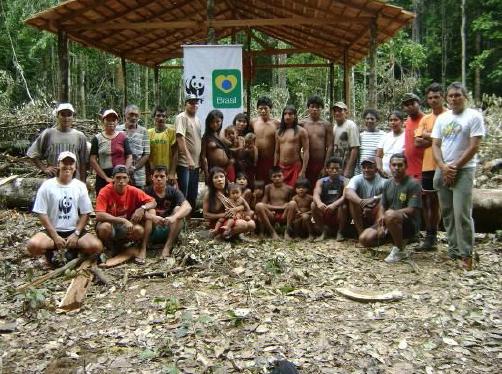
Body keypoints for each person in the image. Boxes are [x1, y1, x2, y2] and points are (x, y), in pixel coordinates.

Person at [432, 82, 485, 270]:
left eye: (458, 95)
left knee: (461, 212)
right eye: (451, 96)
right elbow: (436, 145)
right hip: (443, 168)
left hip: (464, 169)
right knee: (447, 212)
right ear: (447, 98)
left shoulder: (474, 117)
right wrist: (442, 166)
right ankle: (453, 250)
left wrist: (454, 167)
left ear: (465, 97)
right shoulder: (442, 118)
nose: (454, 98)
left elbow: (474, 146)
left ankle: (467, 254)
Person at [27, 151, 103, 267]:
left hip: (73, 230)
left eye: (71, 163)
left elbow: (86, 213)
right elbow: (41, 213)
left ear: (75, 166)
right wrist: (55, 236)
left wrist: (76, 233)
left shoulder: (80, 186)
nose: (67, 166)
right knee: (33, 246)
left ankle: (73, 249)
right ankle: (54, 249)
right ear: (59, 164)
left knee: (96, 246)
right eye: (64, 163)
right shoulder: (47, 186)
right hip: (53, 231)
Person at [359, 154, 422, 263]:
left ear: (406, 166)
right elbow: (382, 205)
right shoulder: (387, 183)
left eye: (400, 165)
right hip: (389, 220)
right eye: (394, 165)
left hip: (408, 223)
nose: (396, 168)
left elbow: (412, 209)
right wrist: (381, 224)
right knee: (364, 239)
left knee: (390, 215)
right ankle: (396, 239)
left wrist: (389, 215)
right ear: (390, 166)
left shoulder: (413, 184)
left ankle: (400, 250)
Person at [95, 165, 156, 265]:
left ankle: (124, 246)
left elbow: (153, 202)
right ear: (113, 178)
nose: (121, 181)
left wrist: (142, 208)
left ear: (128, 179)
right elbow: (99, 215)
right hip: (111, 224)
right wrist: (122, 220)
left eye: (124, 177)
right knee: (104, 228)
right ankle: (109, 247)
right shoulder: (105, 191)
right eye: (118, 177)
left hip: (126, 226)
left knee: (139, 230)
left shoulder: (133, 190)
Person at [414, 83, 448, 250]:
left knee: (446, 200)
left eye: (436, 97)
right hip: (428, 164)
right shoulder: (425, 119)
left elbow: (449, 140)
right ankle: (431, 236)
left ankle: (450, 234)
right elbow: (417, 142)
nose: (433, 100)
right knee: (429, 200)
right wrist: (437, 138)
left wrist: (429, 136)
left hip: (446, 164)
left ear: (443, 97)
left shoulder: (450, 116)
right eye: (430, 98)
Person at [27, 103, 88, 182]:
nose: (66, 118)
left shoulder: (80, 136)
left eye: (69, 114)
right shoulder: (48, 134)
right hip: (53, 182)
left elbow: (83, 164)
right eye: (63, 114)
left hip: (74, 182)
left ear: (73, 116)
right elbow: (32, 153)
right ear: (57, 116)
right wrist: (44, 168)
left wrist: (82, 184)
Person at [144, 166, 192, 258]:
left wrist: (174, 217)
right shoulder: (146, 191)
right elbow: (137, 210)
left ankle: (167, 246)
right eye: (156, 176)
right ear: (152, 177)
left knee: (178, 210)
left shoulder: (173, 191)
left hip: (169, 228)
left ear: (166, 178)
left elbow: (188, 207)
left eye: (162, 176)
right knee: (151, 210)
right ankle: (145, 244)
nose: (159, 179)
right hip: (152, 228)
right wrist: (153, 217)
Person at [202, 167, 256, 239]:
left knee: (252, 224)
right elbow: (205, 215)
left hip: (232, 218)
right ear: (212, 181)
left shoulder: (231, 189)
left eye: (222, 176)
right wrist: (224, 215)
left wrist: (235, 209)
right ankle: (221, 236)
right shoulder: (209, 194)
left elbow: (242, 204)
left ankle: (228, 235)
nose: (219, 179)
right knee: (242, 224)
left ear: (225, 178)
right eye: (216, 177)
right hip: (218, 222)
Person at [90, 109, 133, 195]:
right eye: (108, 119)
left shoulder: (123, 137)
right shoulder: (97, 138)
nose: (111, 122)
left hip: (120, 177)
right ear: (103, 121)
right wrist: (105, 177)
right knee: (103, 200)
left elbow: (129, 156)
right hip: (103, 177)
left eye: (113, 120)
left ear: (117, 122)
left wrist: (125, 172)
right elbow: (93, 159)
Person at [344, 157, 385, 235]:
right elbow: (348, 192)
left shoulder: (382, 181)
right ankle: (361, 233)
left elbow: (390, 193)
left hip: (375, 212)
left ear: (376, 170)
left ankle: (376, 232)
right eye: (364, 167)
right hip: (360, 211)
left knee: (383, 201)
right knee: (352, 201)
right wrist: (361, 203)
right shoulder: (356, 178)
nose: (366, 170)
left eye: (370, 167)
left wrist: (374, 198)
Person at [176, 94, 203, 214]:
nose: (194, 105)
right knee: (184, 194)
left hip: (195, 164)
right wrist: (189, 159)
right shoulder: (182, 117)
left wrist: (199, 160)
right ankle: (181, 222)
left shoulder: (197, 120)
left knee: (193, 193)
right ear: (185, 104)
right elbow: (180, 138)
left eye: (196, 102)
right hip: (185, 164)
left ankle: (189, 219)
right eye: (191, 102)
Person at [300, 96, 333, 187]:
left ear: (321, 109)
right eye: (312, 106)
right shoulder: (302, 124)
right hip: (306, 163)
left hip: (321, 162)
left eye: (317, 107)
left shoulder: (326, 125)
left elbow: (330, 146)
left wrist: (325, 166)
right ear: (308, 108)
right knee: (305, 188)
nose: (315, 109)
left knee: (320, 187)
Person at [312, 156, 347, 241]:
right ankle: (323, 232)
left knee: (344, 206)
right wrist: (319, 203)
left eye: (337, 168)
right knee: (313, 205)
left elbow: (345, 196)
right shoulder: (321, 181)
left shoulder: (345, 181)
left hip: (338, 208)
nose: (335, 171)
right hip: (325, 208)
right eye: (332, 168)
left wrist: (334, 205)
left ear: (341, 169)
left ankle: (340, 232)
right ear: (327, 169)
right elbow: (316, 194)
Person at [274, 105, 310, 187]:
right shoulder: (278, 132)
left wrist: (303, 170)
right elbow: (276, 152)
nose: (287, 116)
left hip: (295, 167)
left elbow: (306, 151)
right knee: (281, 192)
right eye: (285, 114)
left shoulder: (301, 131)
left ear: (295, 116)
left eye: (290, 114)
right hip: (281, 168)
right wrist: (275, 168)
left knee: (294, 192)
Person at [117, 104, 150, 189]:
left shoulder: (143, 131)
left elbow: (146, 153)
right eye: (131, 114)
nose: (134, 117)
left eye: (136, 115)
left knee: (139, 199)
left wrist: (134, 168)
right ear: (125, 115)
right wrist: (125, 170)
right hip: (120, 174)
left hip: (139, 175)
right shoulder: (117, 130)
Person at [255, 167, 293, 240]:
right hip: (272, 214)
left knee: (293, 203)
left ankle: (287, 233)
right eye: (274, 177)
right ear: (270, 178)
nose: (277, 178)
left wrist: (284, 207)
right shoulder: (268, 187)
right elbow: (263, 203)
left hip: (284, 214)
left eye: (279, 176)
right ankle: (272, 232)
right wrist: (280, 207)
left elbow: (290, 205)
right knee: (259, 205)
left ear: (283, 176)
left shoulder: (289, 188)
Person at [250, 96, 280, 184]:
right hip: (257, 160)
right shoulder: (253, 122)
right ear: (257, 109)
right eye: (260, 108)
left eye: (265, 108)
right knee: (258, 184)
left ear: (270, 108)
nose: (263, 111)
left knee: (272, 183)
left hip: (271, 159)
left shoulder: (277, 123)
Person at [201, 109, 235, 183]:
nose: (215, 124)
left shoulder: (223, 134)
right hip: (214, 170)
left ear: (221, 121)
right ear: (208, 123)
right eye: (212, 122)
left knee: (229, 191)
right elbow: (203, 157)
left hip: (227, 168)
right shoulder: (206, 136)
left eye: (218, 122)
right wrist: (206, 174)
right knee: (215, 193)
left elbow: (231, 147)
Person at [147, 106, 177, 185]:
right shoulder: (148, 133)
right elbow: (146, 155)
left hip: (167, 173)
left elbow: (175, 154)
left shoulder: (171, 132)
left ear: (166, 118)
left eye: (163, 116)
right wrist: (148, 174)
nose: (161, 118)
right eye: (158, 115)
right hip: (154, 173)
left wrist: (172, 173)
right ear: (154, 117)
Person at [332, 102, 360, 178]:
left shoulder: (351, 125)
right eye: (335, 111)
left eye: (340, 110)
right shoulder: (335, 127)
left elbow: (355, 148)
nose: (337, 113)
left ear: (346, 112)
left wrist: (348, 169)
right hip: (337, 165)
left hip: (347, 165)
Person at [402, 93, 425, 180]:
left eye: (412, 104)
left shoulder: (426, 120)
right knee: (405, 193)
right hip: (408, 170)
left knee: (421, 193)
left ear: (419, 103)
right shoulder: (408, 120)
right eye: (406, 105)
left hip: (422, 169)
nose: (410, 107)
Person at [376, 111, 405, 178]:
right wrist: (380, 169)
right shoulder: (385, 136)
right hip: (384, 175)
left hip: (401, 175)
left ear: (402, 121)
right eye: (390, 120)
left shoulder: (407, 136)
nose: (393, 122)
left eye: (396, 120)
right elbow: (378, 156)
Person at [356, 108, 385, 175]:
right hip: (361, 173)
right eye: (367, 118)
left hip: (376, 174)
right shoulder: (360, 136)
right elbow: (358, 156)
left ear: (377, 121)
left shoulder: (383, 135)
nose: (369, 121)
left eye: (372, 119)